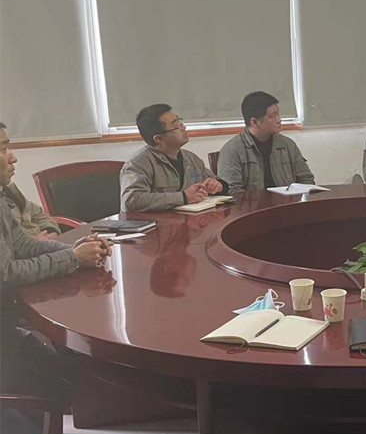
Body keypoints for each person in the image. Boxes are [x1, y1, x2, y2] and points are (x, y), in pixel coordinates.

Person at [0, 122, 111, 398]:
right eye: (3, 149)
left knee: (77, 373)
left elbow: (24, 245)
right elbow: (7, 273)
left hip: (8, 323)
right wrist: (73, 259)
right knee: (71, 386)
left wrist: (75, 250)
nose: (13, 157)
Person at [120, 104, 226, 212]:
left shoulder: (191, 158)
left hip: (189, 219)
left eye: (180, 122)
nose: (183, 127)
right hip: (157, 221)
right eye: (176, 126)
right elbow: (131, 200)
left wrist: (218, 186)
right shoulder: (138, 163)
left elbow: (215, 181)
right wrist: (183, 197)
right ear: (158, 139)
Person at [217, 91, 314, 193]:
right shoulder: (232, 150)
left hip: (288, 201)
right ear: (254, 122)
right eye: (272, 116)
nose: (279, 120)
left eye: (278, 114)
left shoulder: (287, 145)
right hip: (254, 203)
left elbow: (306, 180)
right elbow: (232, 191)